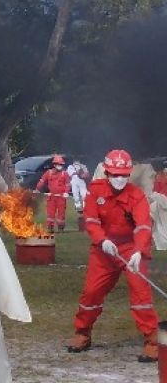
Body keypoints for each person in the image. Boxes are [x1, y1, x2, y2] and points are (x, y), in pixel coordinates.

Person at [68, 149, 159, 362]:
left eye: (124, 175)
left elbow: (143, 226)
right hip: (104, 250)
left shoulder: (136, 195)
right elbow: (91, 221)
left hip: (131, 248)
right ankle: (83, 333)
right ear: (107, 173)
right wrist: (102, 240)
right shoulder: (95, 191)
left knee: (141, 295)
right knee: (91, 292)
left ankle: (153, 342)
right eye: (115, 174)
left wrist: (138, 251)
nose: (119, 179)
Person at [35, 154, 71, 232]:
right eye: (59, 164)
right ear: (54, 165)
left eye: (61, 165)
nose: (60, 166)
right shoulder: (49, 172)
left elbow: (67, 184)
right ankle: (50, 227)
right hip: (51, 197)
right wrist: (37, 189)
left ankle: (61, 227)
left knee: (61, 213)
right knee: (50, 213)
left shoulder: (64, 174)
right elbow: (42, 181)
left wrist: (66, 192)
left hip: (61, 197)